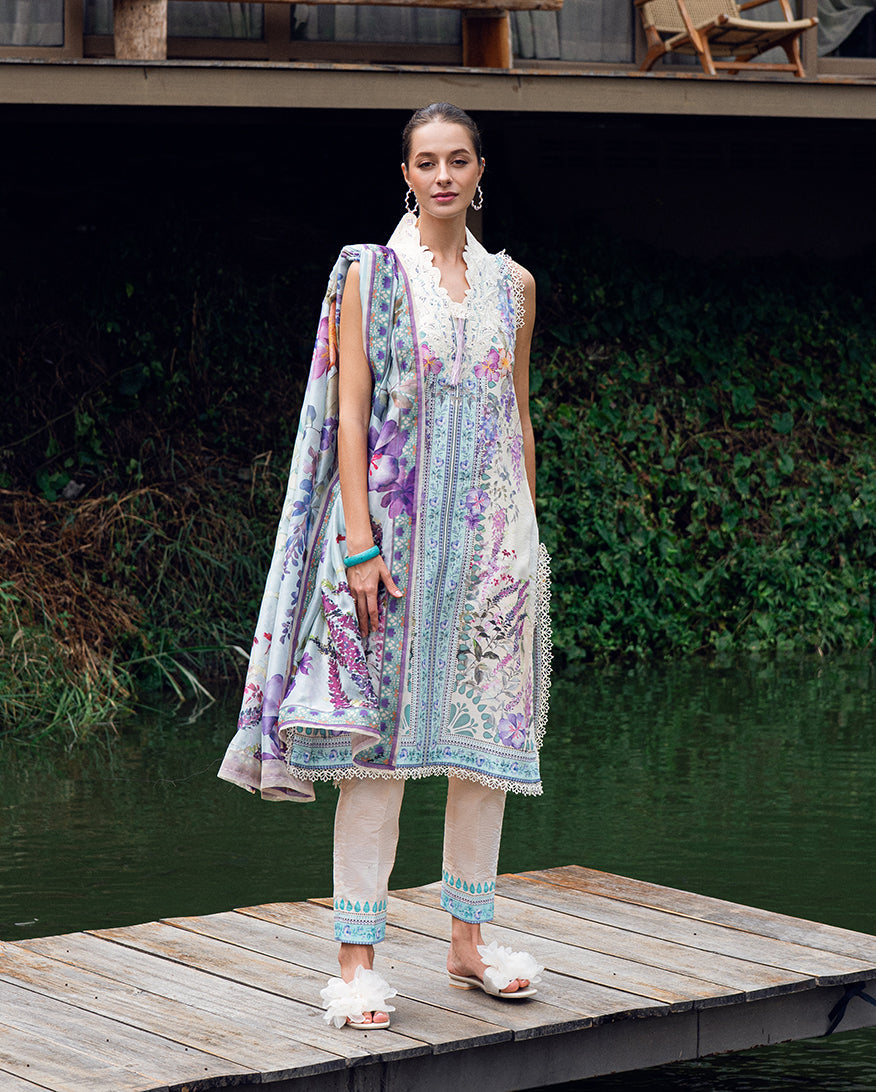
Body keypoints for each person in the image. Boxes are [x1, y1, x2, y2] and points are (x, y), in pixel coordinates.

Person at [218, 102, 551, 1031]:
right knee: (376, 752)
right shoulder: (371, 274)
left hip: (490, 550)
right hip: (392, 551)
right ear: (405, 174)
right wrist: (357, 544)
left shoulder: (514, 287)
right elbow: (352, 415)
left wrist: (527, 543)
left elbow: (518, 415)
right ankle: (357, 963)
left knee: (486, 755)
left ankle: (469, 943)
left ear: (480, 170)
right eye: (426, 161)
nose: (443, 176)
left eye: (458, 160)